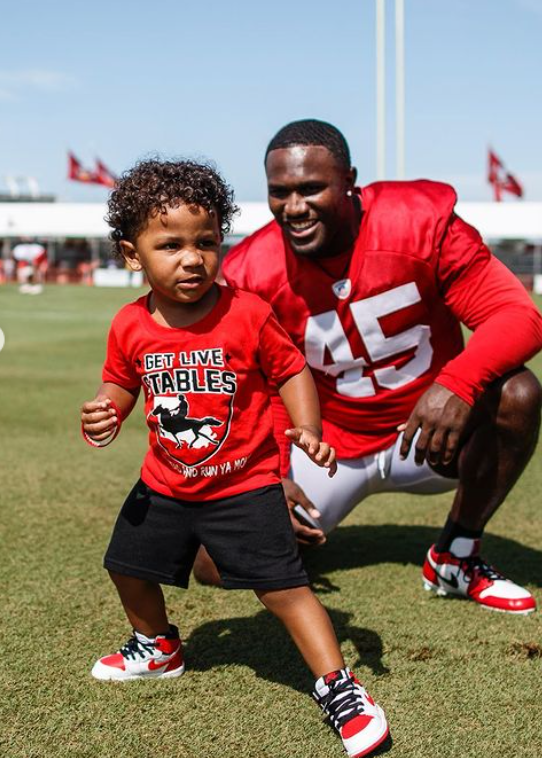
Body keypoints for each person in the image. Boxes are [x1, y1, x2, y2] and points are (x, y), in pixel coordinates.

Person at [80, 159, 389, 758]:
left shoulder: (246, 312)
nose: (192, 258)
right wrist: (105, 412)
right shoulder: (130, 324)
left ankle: (339, 686)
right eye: (170, 245)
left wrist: (306, 428)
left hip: (243, 487)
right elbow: (121, 383)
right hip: (163, 487)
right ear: (131, 253)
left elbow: (291, 368)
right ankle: (157, 646)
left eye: (206, 242)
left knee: (284, 590)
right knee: (126, 566)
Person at [194, 120, 542, 615]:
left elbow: (519, 316)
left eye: (311, 189)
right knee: (215, 562)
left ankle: (457, 554)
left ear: (349, 181)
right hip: (328, 445)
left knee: (517, 394)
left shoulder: (418, 222)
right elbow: (259, 386)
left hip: (428, 435)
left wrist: (459, 383)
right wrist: (269, 476)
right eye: (280, 193)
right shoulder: (254, 268)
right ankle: (299, 540)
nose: (294, 208)